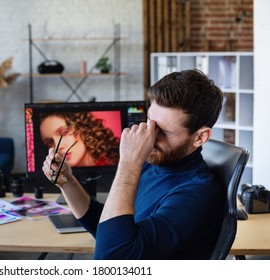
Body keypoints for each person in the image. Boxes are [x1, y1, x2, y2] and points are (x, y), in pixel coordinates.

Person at [42, 69, 225, 259]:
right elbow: (108, 228)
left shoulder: (196, 194)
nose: (149, 136)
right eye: (149, 122)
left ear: (200, 137)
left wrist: (129, 163)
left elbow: (112, 259)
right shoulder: (155, 162)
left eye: (163, 131)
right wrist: (67, 182)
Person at [39, 111, 119, 167]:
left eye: (64, 132)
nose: (57, 147)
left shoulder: (117, 165)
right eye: (49, 142)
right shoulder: (61, 179)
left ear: (82, 127)